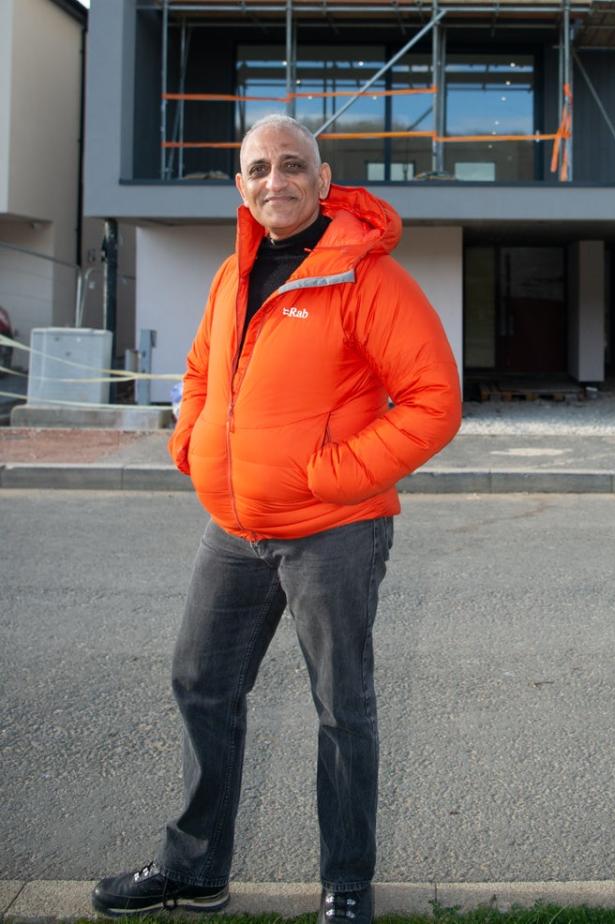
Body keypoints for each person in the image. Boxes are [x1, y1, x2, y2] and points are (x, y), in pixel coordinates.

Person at [91, 114, 461, 922]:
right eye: (258, 168)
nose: (275, 181)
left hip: (334, 529)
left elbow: (435, 402)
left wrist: (330, 475)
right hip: (234, 528)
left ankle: (347, 883)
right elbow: (197, 371)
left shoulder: (367, 278)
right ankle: (195, 871)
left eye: (292, 166)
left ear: (324, 181)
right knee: (201, 681)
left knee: (342, 707)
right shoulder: (234, 274)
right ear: (242, 186)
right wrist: (191, 440)